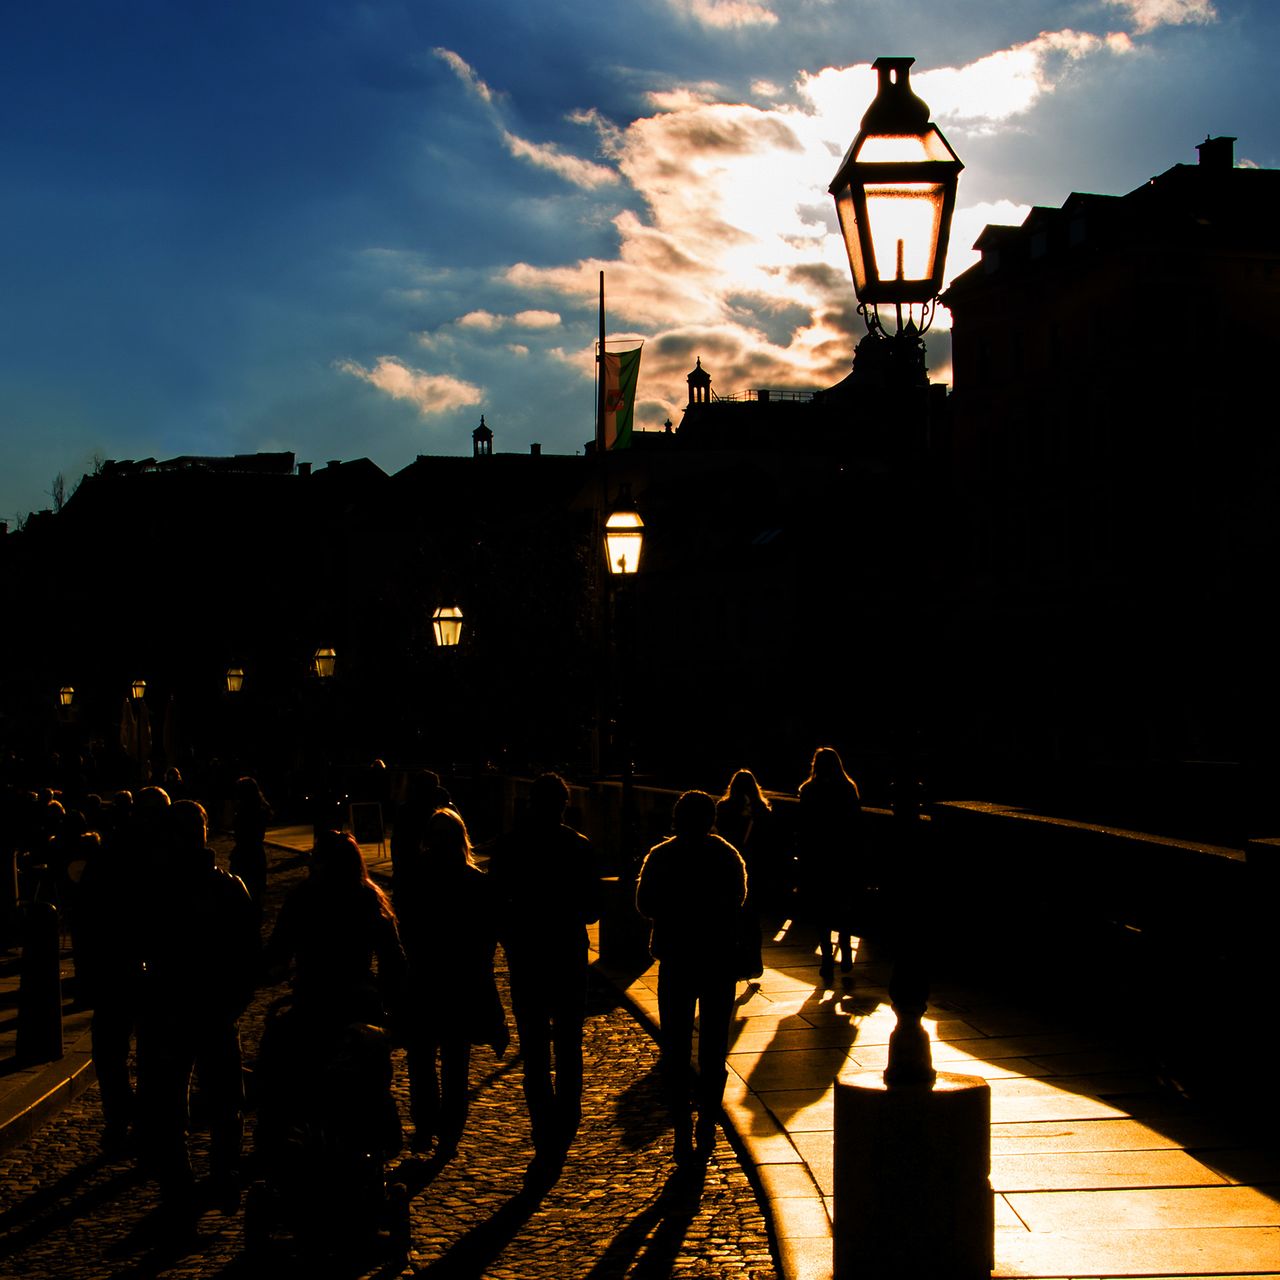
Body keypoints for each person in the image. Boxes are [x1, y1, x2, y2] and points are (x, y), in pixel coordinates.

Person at [134, 800, 258, 1220]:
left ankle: (182, 1187)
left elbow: (141, 948)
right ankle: (221, 1175)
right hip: (214, 1010)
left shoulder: (157, 889)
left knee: (171, 1105)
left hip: (173, 1010)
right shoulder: (228, 887)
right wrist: (233, 1002)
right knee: (224, 1102)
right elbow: (247, 958)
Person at [258, 829, 406, 1163]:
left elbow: (277, 953)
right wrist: (394, 1008)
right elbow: (394, 961)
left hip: (316, 1002)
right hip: (359, 1004)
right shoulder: (370, 897)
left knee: (277, 1069)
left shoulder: (304, 897)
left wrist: (264, 972)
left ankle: (274, 1139)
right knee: (372, 1077)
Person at [489, 773, 600, 1178]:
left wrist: (512, 938)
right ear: (564, 804)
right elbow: (592, 910)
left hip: (528, 956)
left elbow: (495, 907)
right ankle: (567, 1117)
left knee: (534, 1047)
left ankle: (542, 1128)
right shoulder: (580, 847)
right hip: (567, 954)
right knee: (569, 1043)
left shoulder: (508, 847)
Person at [636, 790, 746, 1163]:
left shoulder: (662, 856)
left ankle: (682, 1126)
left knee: (677, 1048)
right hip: (718, 959)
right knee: (714, 1048)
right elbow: (739, 900)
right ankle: (707, 1123)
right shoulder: (727, 856)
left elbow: (644, 904)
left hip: (677, 959)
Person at [395, 807, 507, 1159]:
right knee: (452, 1062)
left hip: (427, 980)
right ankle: (446, 1132)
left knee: (424, 1060)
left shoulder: (414, 879)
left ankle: (428, 1127)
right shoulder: (476, 882)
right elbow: (489, 938)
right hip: (459, 982)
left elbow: (405, 932)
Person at [796, 747, 864, 987]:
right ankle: (845, 950)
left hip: (817, 858)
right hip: (842, 857)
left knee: (821, 911)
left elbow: (804, 828)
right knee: (843, 908)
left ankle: (826, 958)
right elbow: (855, 825)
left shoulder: (808, 790)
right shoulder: (847, 788)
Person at [715, 769, 777, 981]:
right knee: (753, 919)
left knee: (733, 917)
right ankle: (755, 961)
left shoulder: (723, 808)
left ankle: (736, 960)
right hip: (756, 869)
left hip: (731, 866)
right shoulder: (762, 810)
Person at [229, 776, 272, 931]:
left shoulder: (245, 813)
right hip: (256, 856)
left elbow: (241, 834)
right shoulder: (260, 810)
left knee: (243, 897)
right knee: (255, 899)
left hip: (245, 856)